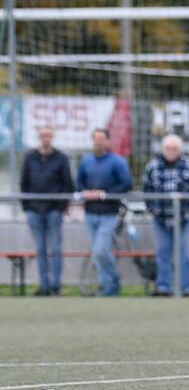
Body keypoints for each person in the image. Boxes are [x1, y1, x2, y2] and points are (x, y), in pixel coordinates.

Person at [142, 134, 189, 297]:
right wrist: (152, 210)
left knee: (187, 255)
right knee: (162, 254)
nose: (171, 151)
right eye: (168, 148)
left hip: (185, 219)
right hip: (161, 219)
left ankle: (188, 288)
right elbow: (146, 190)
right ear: (162, 150)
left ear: (180, 150)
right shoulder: (153, 166)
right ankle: (163, 288)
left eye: (174, 148)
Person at [76, 128, 133, 296]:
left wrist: (104, 193)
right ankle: (106, 287)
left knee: (101, 251)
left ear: (108, 141)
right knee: (97, 252)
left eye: (102, 139)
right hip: (90, 213)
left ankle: (114, 279)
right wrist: (85, 192)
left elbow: (126, 184)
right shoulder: (86, 161)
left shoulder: (117, 161)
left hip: (109, 213)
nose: (98, 142)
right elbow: (79, 183)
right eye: (96, 139)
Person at [20, 126, 74, 296]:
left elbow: (68, 184)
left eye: (48, 136)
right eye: (43, 135)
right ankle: (44, 285)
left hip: (54, 211)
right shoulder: (30, 158)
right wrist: (27, 207)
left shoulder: (61, 158)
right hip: (34, 210)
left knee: (56, 248)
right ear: (39, 137)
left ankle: (56, 285)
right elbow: (24, 183)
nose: (45, 138)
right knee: (40, 249)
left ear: (52, 137)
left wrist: (61, 206)